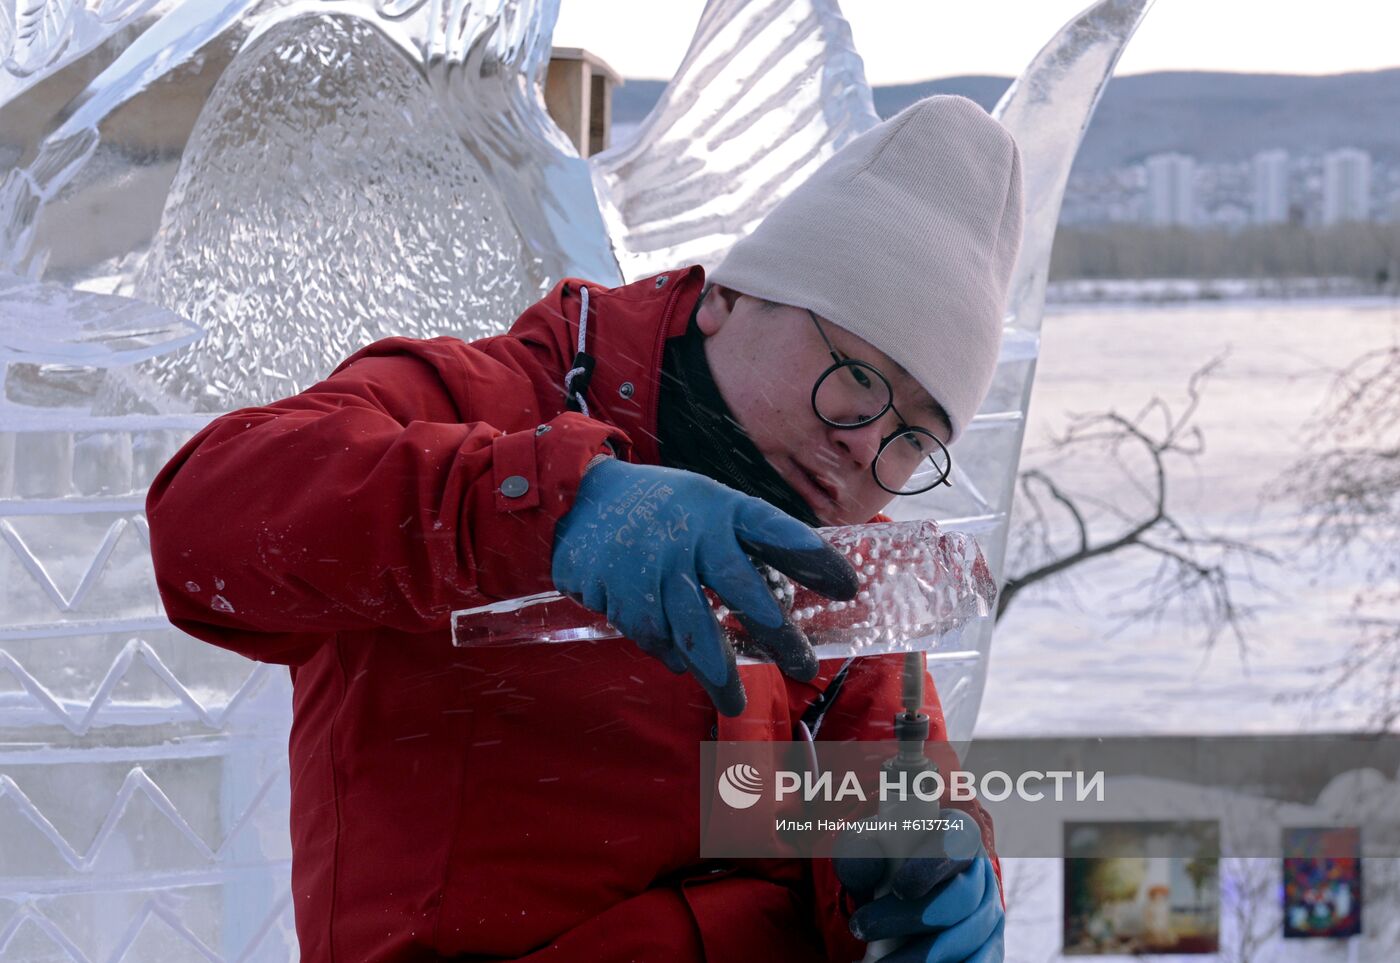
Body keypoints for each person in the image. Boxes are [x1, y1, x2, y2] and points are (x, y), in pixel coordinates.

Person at [146, 95, 1023, 962]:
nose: (863, 445)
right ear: (730, 297)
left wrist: (929, 871)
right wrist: (549, 507)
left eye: (915, 435)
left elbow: (873, 800)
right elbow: (201, 524)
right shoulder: (480, 406)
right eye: (858, 376)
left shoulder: (833, 575)